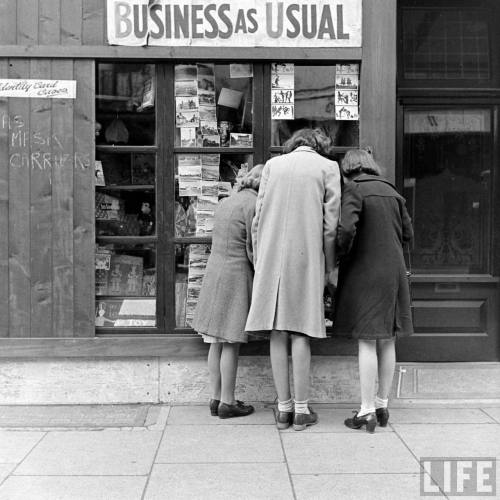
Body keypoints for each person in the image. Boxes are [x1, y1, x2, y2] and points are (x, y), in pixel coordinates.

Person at [245, 129, 341, 431]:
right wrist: (328, 264)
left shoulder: (273, 166)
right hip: (307, 256)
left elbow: (257, 219)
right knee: (301, 330)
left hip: (272, 255)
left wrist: (261, 258)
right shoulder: (328, 168)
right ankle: (301, 410)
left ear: (293, 144)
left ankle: (283, 408)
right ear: (320, 146)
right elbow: (330, 225)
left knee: (277, 330)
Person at [333, 149, 414, 433]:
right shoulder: (392, 192)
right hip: (393, 270)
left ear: (349, 168)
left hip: (366, 270)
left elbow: (345, 230)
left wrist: (340, 255)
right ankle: (381, 405)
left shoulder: (354, 189)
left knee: (367, 339)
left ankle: (366, 411)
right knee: (388, 338)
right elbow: (408, 235)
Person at [192, 164, 265, 419]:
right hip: (236, 274)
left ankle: (215, 397)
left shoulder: (226, 202)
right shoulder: (255, 205)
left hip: (215, 271)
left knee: (215, 340)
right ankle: (228, 401)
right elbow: (253, 249)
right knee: (231, 341)